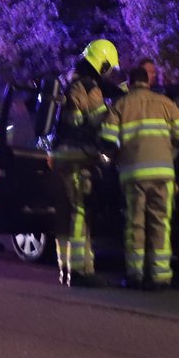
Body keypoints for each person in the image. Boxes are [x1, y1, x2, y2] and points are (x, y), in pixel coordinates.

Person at [101, 62, 179, 290]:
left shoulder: (121, 105)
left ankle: (135, 275)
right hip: (163, 174)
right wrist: (169, 152)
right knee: (161, 224)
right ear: (148, 82)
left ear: (130, 83)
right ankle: (160, 276)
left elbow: (107, 141)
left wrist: (118, 155)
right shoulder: (166, 103)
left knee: (135, 225)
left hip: (134, 175)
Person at [50, 38, 119, 287]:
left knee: (64, 213)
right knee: (81, 211)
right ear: (102, 64)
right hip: (79, 155)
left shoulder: (67, 80)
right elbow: (100, 122)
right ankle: (79, 271)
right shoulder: (91, 87)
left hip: (59, 155)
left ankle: (64, 267)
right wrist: (116, 111)